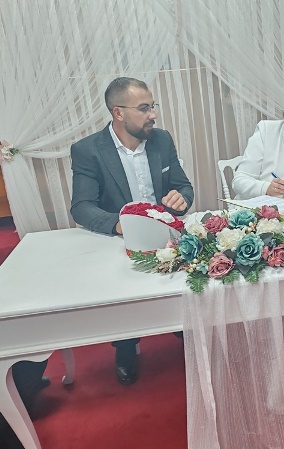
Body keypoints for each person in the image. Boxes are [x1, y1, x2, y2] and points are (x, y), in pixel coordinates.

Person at [70, 77, 194, 385]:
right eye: (144, 108)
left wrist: (181, 198)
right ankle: (125, 345)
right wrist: (120, 224)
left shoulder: (161, 140)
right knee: (122, 294)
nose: (153, 114)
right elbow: (82, 207)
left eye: (152, 106)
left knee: (187, 283)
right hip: (119, 239)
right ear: (119, 113)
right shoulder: (88, 150)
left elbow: (183, 186)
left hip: (165, 235)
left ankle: (186, 331)